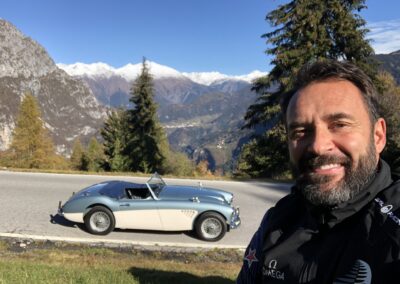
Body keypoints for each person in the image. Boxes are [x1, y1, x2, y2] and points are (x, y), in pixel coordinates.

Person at [237, 60, 400, 283]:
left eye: (339, 124)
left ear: (378, 136)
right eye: (301, 131)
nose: (317, 146)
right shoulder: (278, 221)